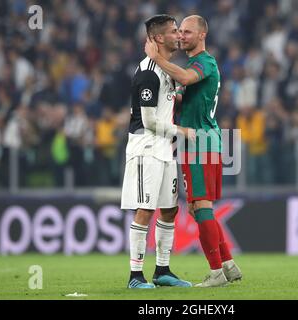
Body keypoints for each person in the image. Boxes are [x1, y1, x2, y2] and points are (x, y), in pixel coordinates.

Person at [145, 15, 242, 287]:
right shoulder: (195, 64)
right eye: (180, 32)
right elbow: (182, 93)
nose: (181, 36)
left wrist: (157, 59)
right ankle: (228, 264)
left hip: (200, 143)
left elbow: (186, 78)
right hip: (199, 142)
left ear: (201, 35)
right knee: (202, 208)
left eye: (187, 32)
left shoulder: (203, 63)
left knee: (201, 207)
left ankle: (216, 273)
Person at [121, 14, 195, 289]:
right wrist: (182, 132)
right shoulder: (149, 73)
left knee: (170, 209)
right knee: (145, 209)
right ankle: (135, 276)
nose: (179, 35)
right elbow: (150, 121)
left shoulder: (166, 68)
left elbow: (173, 97)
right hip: (146, 147)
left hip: (164, 149)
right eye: (174, 31)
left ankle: (162, 270)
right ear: (159, 38)